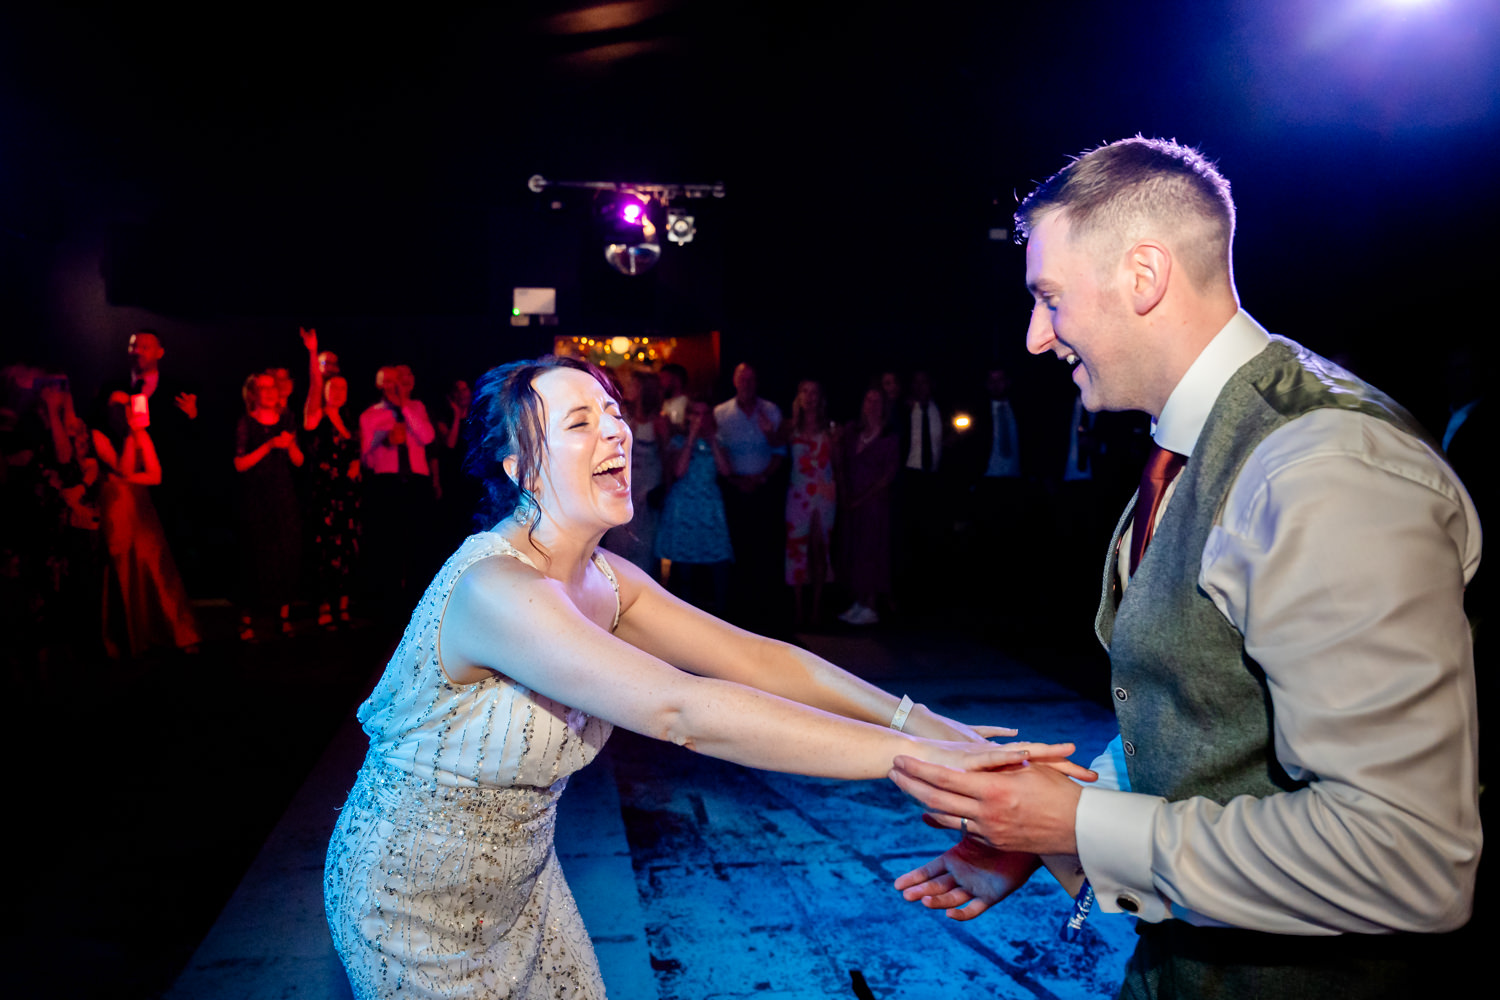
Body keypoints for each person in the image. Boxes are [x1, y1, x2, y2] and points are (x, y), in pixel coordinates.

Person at [889, 138, 1481, 997]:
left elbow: (1405, 857)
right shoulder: (1195, 445)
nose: (1034, 337)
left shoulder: (1321, 468)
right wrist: (1048, 831)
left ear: (1144, 276)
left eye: (1048, 298)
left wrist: (1087, 823)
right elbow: (1206, 709)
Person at [323, 355, 1091, 1000]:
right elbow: (681, 709)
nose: (614, 429)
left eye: (613, 410)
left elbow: (759, 659)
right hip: (409, 895)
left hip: (522, 885)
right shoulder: (497, 590)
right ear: (520, 466)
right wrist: (923, 766)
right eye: (579, 422)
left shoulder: (605, 577)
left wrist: (931, 727)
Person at [234, 370, 304, 639]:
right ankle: (247, 618)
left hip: (282, 494)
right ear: (254, 394)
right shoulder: (246, 422)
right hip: (255, 496)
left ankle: (283, 617)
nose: (270, 391)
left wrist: (287, 446)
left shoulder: (287, 419)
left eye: (272, 386)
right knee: (254, 554)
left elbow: (299, 461)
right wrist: (269, 445)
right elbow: (239, 464)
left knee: (284, 553)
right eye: (263, 388)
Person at [301, 329, 361, 629]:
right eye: (332, 387)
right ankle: (324, 606)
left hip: (348, 494)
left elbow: (357, 448)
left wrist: (356, 461)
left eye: (342, 388)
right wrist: (313, 354)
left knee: (347, 548)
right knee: (326, 549)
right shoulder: (316, 414)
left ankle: (344, 606)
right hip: (325, 493)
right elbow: (314, 385)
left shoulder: (349, 417)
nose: (337, 392)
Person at [655, 395, 735, 615]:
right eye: (696, 413)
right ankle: (685, 614)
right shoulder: (678, 442)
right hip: (684, 505)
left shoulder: (720, 441)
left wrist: (711, 440)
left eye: (705, 413)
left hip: (710, 505)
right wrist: (691, 438)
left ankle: (721, 614)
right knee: (684, 565)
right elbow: (679, 471)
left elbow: (726, 471)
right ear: (689, 416)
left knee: (718, 560)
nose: (701, 418)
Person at [835, 387, 899, 626]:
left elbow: (888, 475)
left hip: (874, 503)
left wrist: (861, 498)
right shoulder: (852, 431)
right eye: (868, 399)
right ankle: (858, 602)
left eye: (877, 401)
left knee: (872, 551)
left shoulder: (889, 437)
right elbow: (841, 460)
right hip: (852, 501)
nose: (872, 405)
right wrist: (846, 495)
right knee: (854, 550)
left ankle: (871, 605)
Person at [782, 378, 836, 627]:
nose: (809, 396)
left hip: (824, 493)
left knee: (820, 549)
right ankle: (798, 609)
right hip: (799, 494)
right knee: (796, 549)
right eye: (805, 391)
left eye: (814, 392)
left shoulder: (831, 429)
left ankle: (817, 608)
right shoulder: (790, 428)